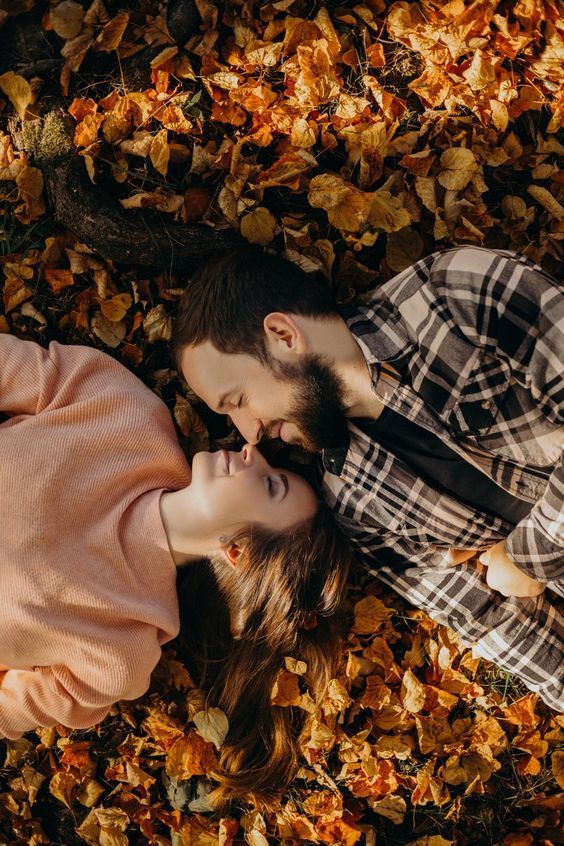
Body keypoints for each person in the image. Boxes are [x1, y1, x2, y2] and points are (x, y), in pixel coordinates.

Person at [173, 245, 564, 711]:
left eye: (237, 399)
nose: (249, 434)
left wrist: (528, 560)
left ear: (282, 335)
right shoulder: (352, 501)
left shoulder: (457, 296)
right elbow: (489, 618)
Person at [0, 331, 352, 810]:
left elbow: (11, 707)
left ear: (238, 552)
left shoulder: (123, 645)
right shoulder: (129, 415)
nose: (253, 452)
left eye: (271, 486)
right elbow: (20, 369)